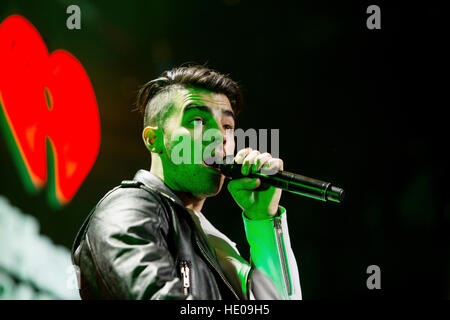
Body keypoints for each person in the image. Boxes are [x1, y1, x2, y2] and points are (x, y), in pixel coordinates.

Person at [71, 65, 302, 300]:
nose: (219, 137)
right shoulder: (129, 205)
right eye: (198, 121)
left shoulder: (212, 241)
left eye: (227, 127)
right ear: (154, 139)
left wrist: (263, 219)